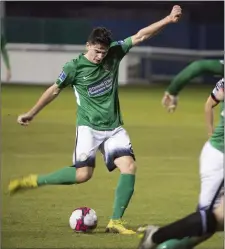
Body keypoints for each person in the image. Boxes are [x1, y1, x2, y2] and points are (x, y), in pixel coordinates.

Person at [8, 5, 182, 235]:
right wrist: (32, 112)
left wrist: (168, 20)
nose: (101, 56)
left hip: (114, 127)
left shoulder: (114, 52)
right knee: (83, 175)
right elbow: (53, 90)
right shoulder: (74, 67)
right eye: (97, 51)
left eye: (104, 51)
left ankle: (115, 222)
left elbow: (141, 35)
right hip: (89, 127)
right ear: (88, 46)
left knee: (129, 166)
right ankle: (34, 181)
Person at [137, 78, 224, 248]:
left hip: (215, 154)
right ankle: (156, 237)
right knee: (210, 222)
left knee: (212, 223)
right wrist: (173, 90)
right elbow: (199, 67)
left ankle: (156, 237)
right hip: (220, 158)